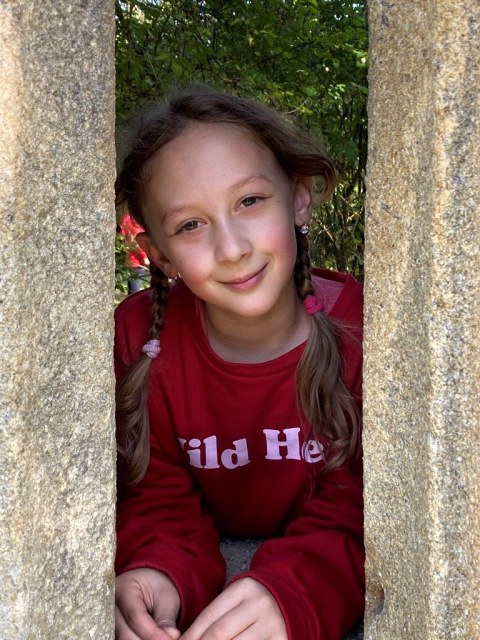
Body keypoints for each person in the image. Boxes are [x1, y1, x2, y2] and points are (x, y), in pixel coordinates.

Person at [114, 85, 364, 640]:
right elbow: (152, 491)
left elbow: (366, 503)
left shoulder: (366, 332)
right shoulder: (141, 341)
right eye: (190, 225)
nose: (232, 249)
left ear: (299, 198)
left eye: (250, 201)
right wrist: (158, 571)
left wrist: (295, 590)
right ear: (159, 254)